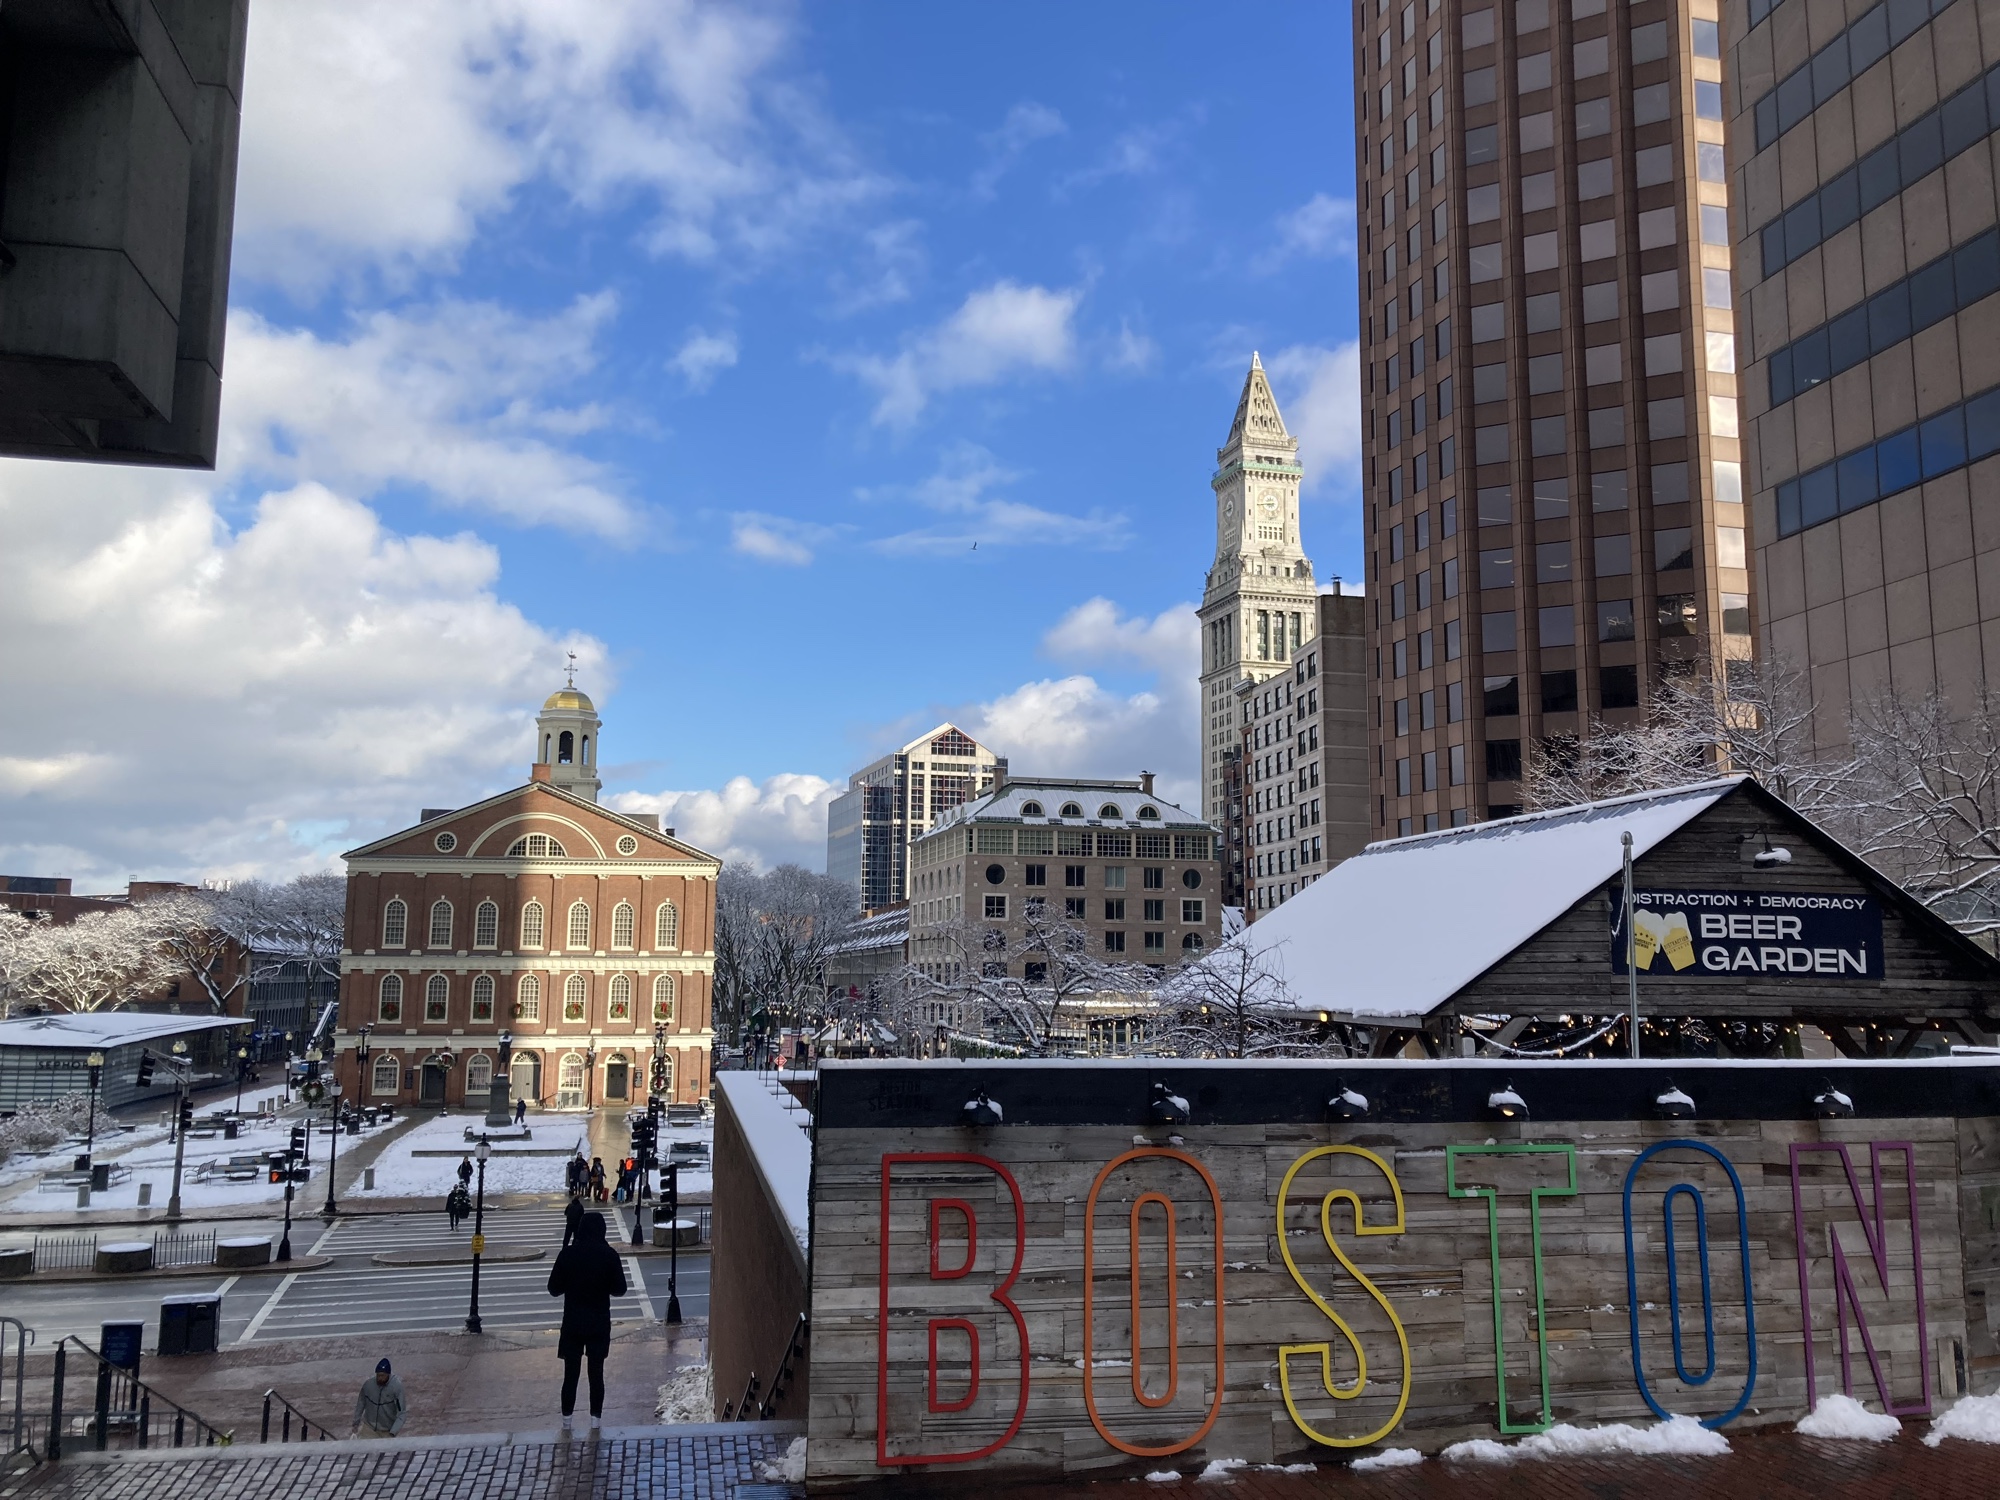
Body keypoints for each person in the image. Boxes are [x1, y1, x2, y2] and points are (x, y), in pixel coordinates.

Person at [546, 1211, 627, 1433]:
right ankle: (595, 1421)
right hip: (599, 1322)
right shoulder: (609, 1255)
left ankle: (567, 1421)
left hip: (573, 1322)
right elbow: (620, 1289)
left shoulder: (568, 1254)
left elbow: (553, 1288)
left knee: (570, 1375)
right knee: (596, 1374)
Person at [351, 1358, 406, 1439]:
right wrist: (356, 1422)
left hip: (387, 1431)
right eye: (378, 1375)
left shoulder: (396, 1388)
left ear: (388, 1375)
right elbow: (361, 1404)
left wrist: (393, 1432)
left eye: (382, 1376)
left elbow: (401, 1413)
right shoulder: (368, 1386)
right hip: (369, 1428)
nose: (380, 1378)